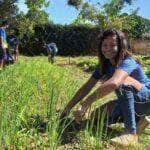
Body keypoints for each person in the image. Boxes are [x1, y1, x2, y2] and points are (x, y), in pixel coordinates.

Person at [61, 29, 150, 146]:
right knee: (95, 117)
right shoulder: (105, 65)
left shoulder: (128, 61)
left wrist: (85, 103)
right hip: (130, 103)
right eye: (105, 45)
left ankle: (130, 133)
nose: (108, 48)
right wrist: (67, 109)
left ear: (121, 46)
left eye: (113, 45)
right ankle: (140, 120)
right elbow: (86, 87)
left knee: (121, 81)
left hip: (146, 99)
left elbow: (114, 83)